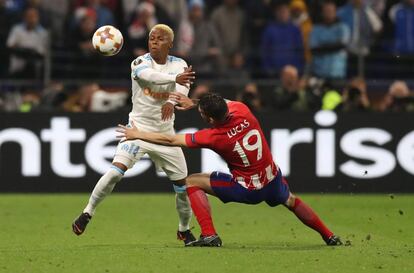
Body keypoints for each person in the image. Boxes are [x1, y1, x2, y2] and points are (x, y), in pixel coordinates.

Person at [116, 92, 342, 247]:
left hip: (247, 189)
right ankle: (329, 236)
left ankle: (209, 234)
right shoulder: (241, 109)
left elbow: (170, 139)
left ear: (210, 118)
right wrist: (194, 102)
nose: (201, 116)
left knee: (192, 181)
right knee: (291, 201)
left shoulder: (214, 136)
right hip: (272, 178)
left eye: (202, 114)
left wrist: (139, 134)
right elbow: (220, 102)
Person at [72, 24, 198, 246]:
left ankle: (184, 230)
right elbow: (149, 77)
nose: (154, 41)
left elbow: (183, 87)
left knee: (182, 188)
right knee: (114, 173)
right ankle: (87, 213)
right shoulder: (139, 63)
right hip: (137, 131)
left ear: (170, 43)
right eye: (151, 38)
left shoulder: (180, 64)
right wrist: (174, 79)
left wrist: (171, 100)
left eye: (160, 39)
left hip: (165, 136)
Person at [309, 0, 350, 79]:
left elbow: (342, 45)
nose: (328, 13)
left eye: (331, 11)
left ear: (335, 12)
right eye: (326, 11)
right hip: (319, 74)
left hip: (337, 73)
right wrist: (334, 46)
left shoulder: (343, 28)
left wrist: (322, 46)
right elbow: (313, 49)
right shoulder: (315, 29)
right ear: (322, 13)